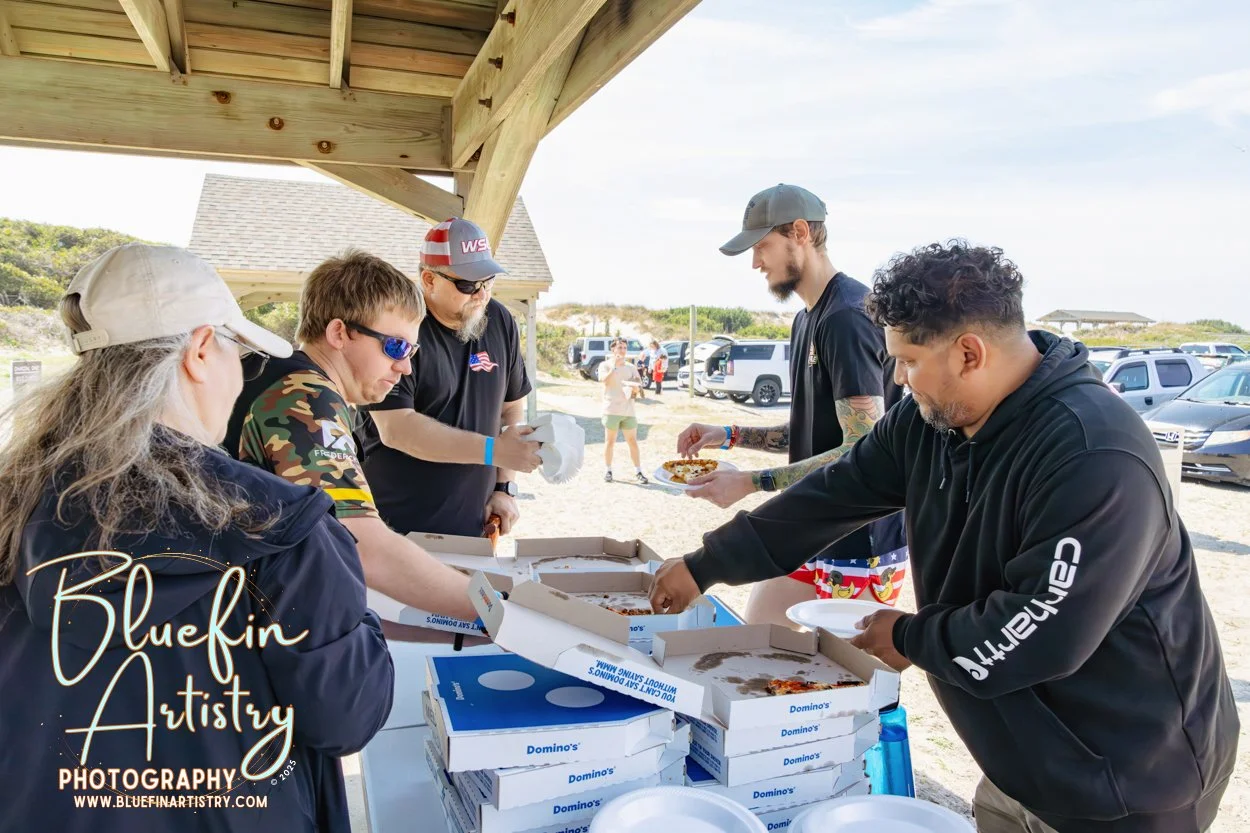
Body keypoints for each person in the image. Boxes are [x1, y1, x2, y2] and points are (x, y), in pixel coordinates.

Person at [650, 241, 1238, 833]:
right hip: (1023, 762)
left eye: (907, 361)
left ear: (968, 353)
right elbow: (829, 496)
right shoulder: (927, 422)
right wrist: (706, 564)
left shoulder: (1093, 453)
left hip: (1127, 780)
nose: (900, 381)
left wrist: (909, 636)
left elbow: (1043, 633)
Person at [0, 244, 394, 833]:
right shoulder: (280, 524)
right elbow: (347, 715)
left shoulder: (15, 504)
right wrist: (358, 615)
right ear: (202, 351)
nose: (241, 376)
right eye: (241, 354)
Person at [677, 183, 907, 626]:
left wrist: (753, 482)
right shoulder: (807, 318)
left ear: (800, 232)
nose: (755, 262)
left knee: (845, 679)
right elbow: (818, 429)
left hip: (861, 536)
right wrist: (729, 435)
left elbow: (861, 448)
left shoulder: (847, 316)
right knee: (758, 635)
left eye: (762, 246)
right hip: (811, 523)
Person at [223, 249, 478, 621]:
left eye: (412, 350)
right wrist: (495, 608)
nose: (405, 367)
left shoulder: (273, 372)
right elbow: (363, 544)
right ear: (339, 333)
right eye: (396, 346)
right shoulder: (306, 397)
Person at [360, 218, 541, 539]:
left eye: (489, 281)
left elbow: (511, 407)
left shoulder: (499, 319)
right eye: (468, 285)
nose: (482, 294)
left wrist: (504, 486)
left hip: (475, 523)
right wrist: (492, 451)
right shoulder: (397, 326)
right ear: (429, 280)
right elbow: (397, 429)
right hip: (397, 527)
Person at [598, 337, 649, 484]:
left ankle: (638, 471)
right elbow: (604, 381)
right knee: (610, 441)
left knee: (633, 441)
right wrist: (614, 366)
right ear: (613, 350)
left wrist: (635, 387)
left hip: (628, 411)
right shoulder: (605, 365)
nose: (622, 350)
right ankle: (608, 470)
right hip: (611, 409)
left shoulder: (631, 367)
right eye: (619, 347)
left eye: (625, 348)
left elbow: (639, 384)